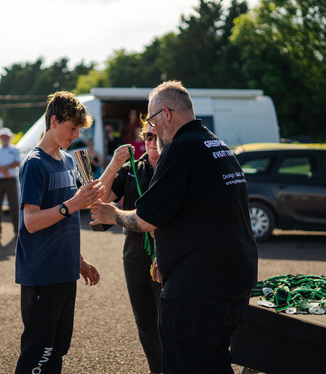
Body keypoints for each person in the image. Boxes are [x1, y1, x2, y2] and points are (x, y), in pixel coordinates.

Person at [91, 81, 258, 374]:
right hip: (235, 282)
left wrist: (113, 214)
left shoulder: (181, 149)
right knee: (216, 362)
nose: (152, 130)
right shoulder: (217, 145)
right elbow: (198, 213)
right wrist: (165, 254)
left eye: (153, 120)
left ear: (167, 114)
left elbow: (145, 219)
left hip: (199, 290)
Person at [15, 91, 103, 373]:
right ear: (54, 121)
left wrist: (78, 260)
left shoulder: (68, 160)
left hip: (64, 271)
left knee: (56, 351)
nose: (76, 134)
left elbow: (61, 224)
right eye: (72, 127)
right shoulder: (34, 164)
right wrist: (73, 204)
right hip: (41, 273)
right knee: (37, 355)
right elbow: (30, 221)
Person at [99, 123, 163, 374]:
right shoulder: (132, 170)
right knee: (145, 323)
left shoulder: (174, 168)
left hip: (168, 255)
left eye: (156, 135)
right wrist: (114, 163)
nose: (151, 140)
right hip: (135, 256)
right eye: (147, 135)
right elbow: (100, 201)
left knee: (168, 321)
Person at [0, 128, 20, 239]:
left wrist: (6, 168)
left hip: (10, 180)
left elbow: (17, 162)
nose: (4, 138)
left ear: (9, 137)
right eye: (2, 136)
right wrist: (1, 169)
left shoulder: (15, 149)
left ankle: (17, 230)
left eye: (6, 136)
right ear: (0, 137)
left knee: (14, 206)